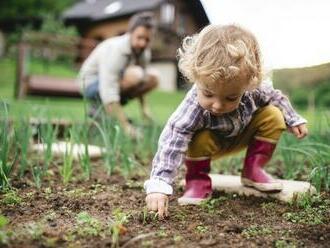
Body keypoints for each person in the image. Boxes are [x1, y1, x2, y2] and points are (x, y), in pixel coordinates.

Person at [144, 24, 308, 218]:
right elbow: (172, 139)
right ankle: (196, 179)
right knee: (196, 135)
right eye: (208, 94)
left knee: (273, 114)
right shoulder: (193, 106)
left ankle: (253, 170)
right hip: (207, 146)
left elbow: (276, 97)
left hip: (240, 135)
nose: (218, 105)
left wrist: (293, 119)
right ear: (195, 77)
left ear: (249, 83)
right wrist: (159, 184)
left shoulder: (254, 89)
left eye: (231, 97)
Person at [78, 12, 159, 138]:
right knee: (136, 74)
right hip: (90, 84)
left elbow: (143, 82)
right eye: (139, 37)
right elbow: (108, 89)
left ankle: (105, 112)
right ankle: (101, 109)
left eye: (147, 40)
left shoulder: (144, 52)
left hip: (113, 83)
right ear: (130, 33)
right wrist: (126, 127)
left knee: (153, 78)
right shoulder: (115, 50)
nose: (143, 43)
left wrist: (144, 109)